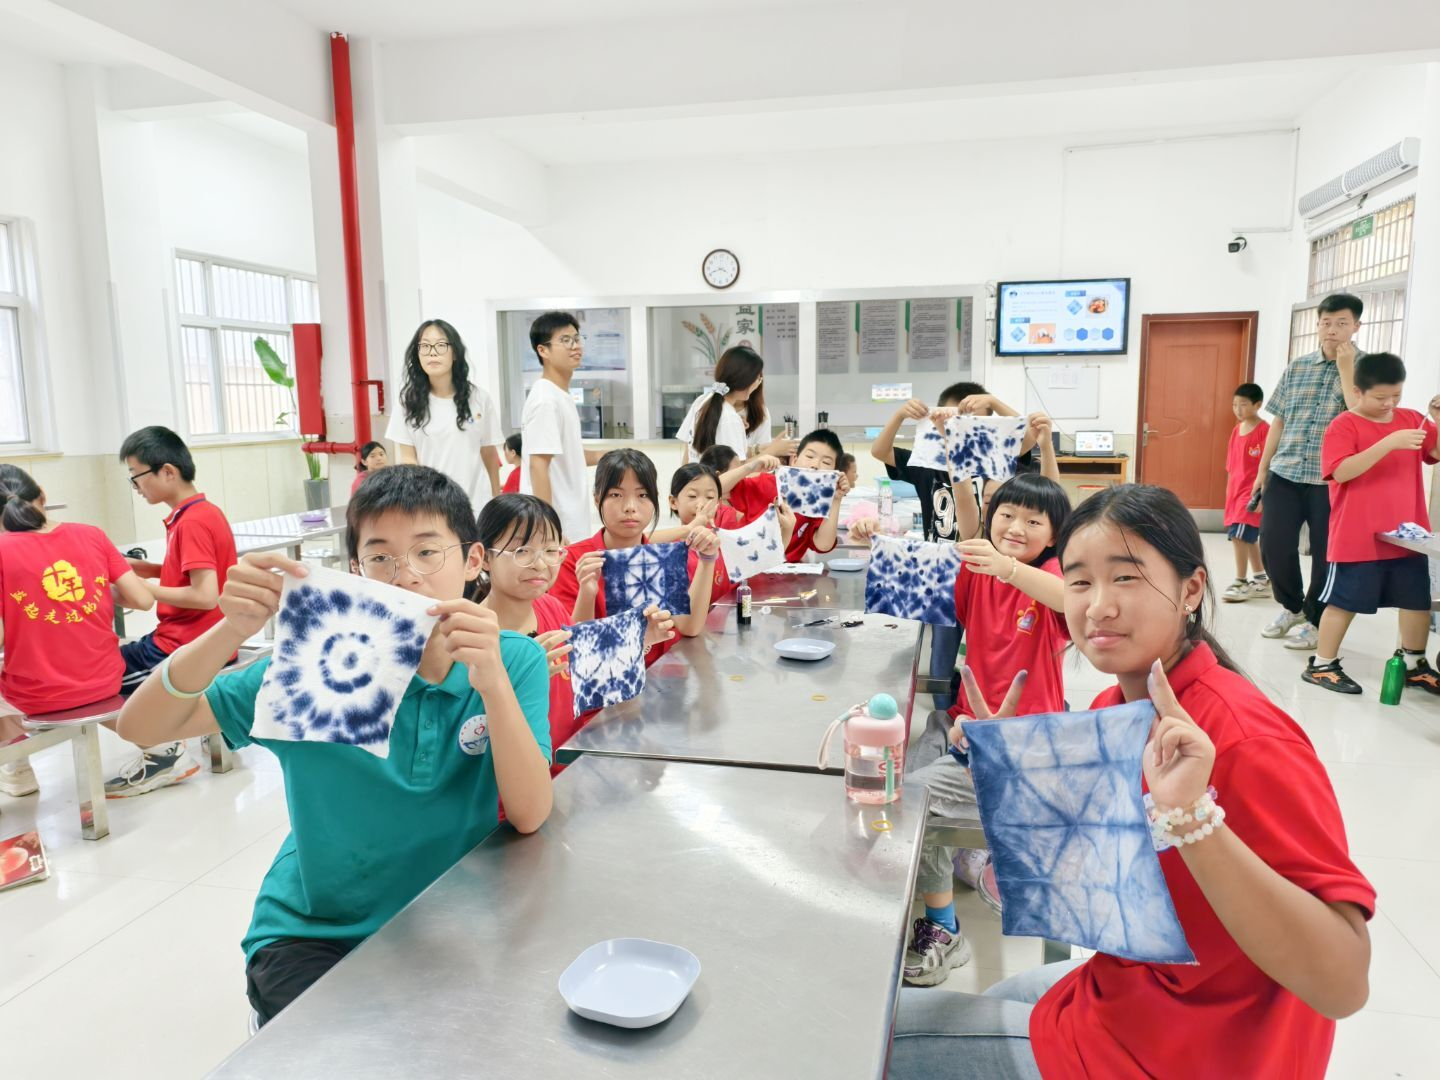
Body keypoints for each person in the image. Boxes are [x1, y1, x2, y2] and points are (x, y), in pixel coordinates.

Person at [891, 484, 1374, 1079]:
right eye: (1079, 581)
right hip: (1128, 990)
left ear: (1190, 590)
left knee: (877, 1033)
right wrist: (1006, 769)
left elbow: (1342, 985)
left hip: (1187, 1051)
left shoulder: (1245, 739)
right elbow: (1091, 875)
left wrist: (1192, 819)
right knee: (998, 995)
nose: (1098, 606)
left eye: (1125, 578)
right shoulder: (1114, 708)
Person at [115, 465, 555, 1027]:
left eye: (427, 552)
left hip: (446, 917)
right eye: (380, 556)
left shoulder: (512, 658)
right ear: (356, 570)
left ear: (472, 562)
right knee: (344, 1053)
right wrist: (230, 630)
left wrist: (491, 685)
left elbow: (529, 813)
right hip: (312, 931)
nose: (406, 576)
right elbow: (141, 726)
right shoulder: (315, 666)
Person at [901, 473, 1072, 987]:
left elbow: (1071, 599)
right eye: (1007, 515)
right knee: (904, 787)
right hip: (970, 731)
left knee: (913, 801)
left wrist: (1011, 568)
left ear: (1054, 536)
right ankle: (966, 867)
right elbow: (966, 536)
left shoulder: (1049, 576)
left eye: (1033, 521)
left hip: (1025, 749)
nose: (1016, 527)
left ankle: (943, 925)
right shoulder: (979, 570)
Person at [472, 493, 675, 771]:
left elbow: (581, 667)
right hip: (521, 780)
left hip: (570, 763)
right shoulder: (476, 638)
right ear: (484, 558)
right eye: (522, 551)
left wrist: (639, 638)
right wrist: (522, 681)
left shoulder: (550, 606)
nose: (540, 564)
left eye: (550, 550)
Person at [0, 465, 155, 798]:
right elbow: (143, 600)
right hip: (106, 680)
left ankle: (17, 767)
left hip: (38, 697)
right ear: (42, 495)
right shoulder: (92, 534)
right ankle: (157, 742)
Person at [109, 426, 238, 797]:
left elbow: (205, 595)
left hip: (184, 645)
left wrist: (141, 589)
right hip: (206, 638)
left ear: (167, 471)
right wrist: (143, 569)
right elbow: (190, 573)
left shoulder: (191, 522)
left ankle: (164, 753)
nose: (136, 487)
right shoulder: (200, 512)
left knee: (98, 680)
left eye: (136, 476)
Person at [1305, 353, 1440, 695]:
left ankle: (1414, 664)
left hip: (1407, 536)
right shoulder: (1344, 425)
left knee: (1416, 601)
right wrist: (1389, 443)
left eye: (1396, 395)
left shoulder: (1412, 419)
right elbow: (1340, 472)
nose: (1390, 404)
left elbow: (1435, 453)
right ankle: (1322, 665)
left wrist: (1437, 421)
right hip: (1358, 535)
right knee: (1344, 601)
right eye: (1381, 397)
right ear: (1358, 391)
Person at [1255, 293, 1363, 650]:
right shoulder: (1298, 367)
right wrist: (1262, 470)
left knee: (1325, 554)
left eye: (1342, 323)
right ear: (1317, 325)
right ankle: (1293, 607)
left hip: (1331, 480)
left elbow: (1360, 417)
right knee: (1273, 544)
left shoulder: (1367, 369)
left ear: (1356, 326)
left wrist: (1346, 370)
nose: (1332, 330)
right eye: (1326, 323)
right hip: (1285, 472)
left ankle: (1317, 619)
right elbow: (1279, 421)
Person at [548, 449, 721, 661]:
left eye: (642, 495)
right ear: (597, 499)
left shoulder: (663, 557)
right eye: (616, 495)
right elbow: (573, 650)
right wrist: (587, 594)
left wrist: (707, 560)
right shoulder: (573, 562)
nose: (630, 507)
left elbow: (689, 627)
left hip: (662, 673)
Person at [387, 319, 504, 512]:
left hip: (477, 505)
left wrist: (495, 500)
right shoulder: (407, 402)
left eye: (441, 345)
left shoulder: (479, 398)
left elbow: (489, 454)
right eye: (425, 346)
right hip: (431, 507)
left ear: (455, 352)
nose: (432, 352)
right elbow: (408, 459)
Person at [520, 312, 606, 543]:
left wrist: (604, 455)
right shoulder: (545, 400)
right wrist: (548, 529)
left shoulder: (560, 395)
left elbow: (566, 455)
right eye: (565, 340)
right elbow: (538, 465)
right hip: (558, 526)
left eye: (577, 339)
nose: (575, 346)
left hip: (570, 520)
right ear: (543, 350)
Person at [723, 429, 851, 561]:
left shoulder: (820, 504)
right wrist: (750, 467)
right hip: (748, 564)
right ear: (794, 460)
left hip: (788, 571)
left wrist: (836, 499)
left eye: (826, 462)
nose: (815, 465)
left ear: (834, 472)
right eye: (809, 456)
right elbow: (719, 489)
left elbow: (823, 545)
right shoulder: (765, 483)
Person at [673, 344, 795, 463]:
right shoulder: (729, 418)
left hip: (699, 475)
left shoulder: (705, 402)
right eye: (758, 378)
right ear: (746, 381)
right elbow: (738, 470)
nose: (758, 382)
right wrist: (773, 451)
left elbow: (691, 455)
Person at [1221, 384, 1270, 602]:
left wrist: (1263, 496)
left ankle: (1240, 581)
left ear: (1257, 405)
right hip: (1235, 492)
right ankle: (1261, 579)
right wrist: (1228, 494)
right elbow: (1231, 467)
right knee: (1247, 537)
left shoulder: (1265, 430)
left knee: (1239, 535)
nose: (1237, 409)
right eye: (1234, 405)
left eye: (1243, 404)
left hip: (1251, 495)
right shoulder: (1236, 431)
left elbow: (1269, 466)